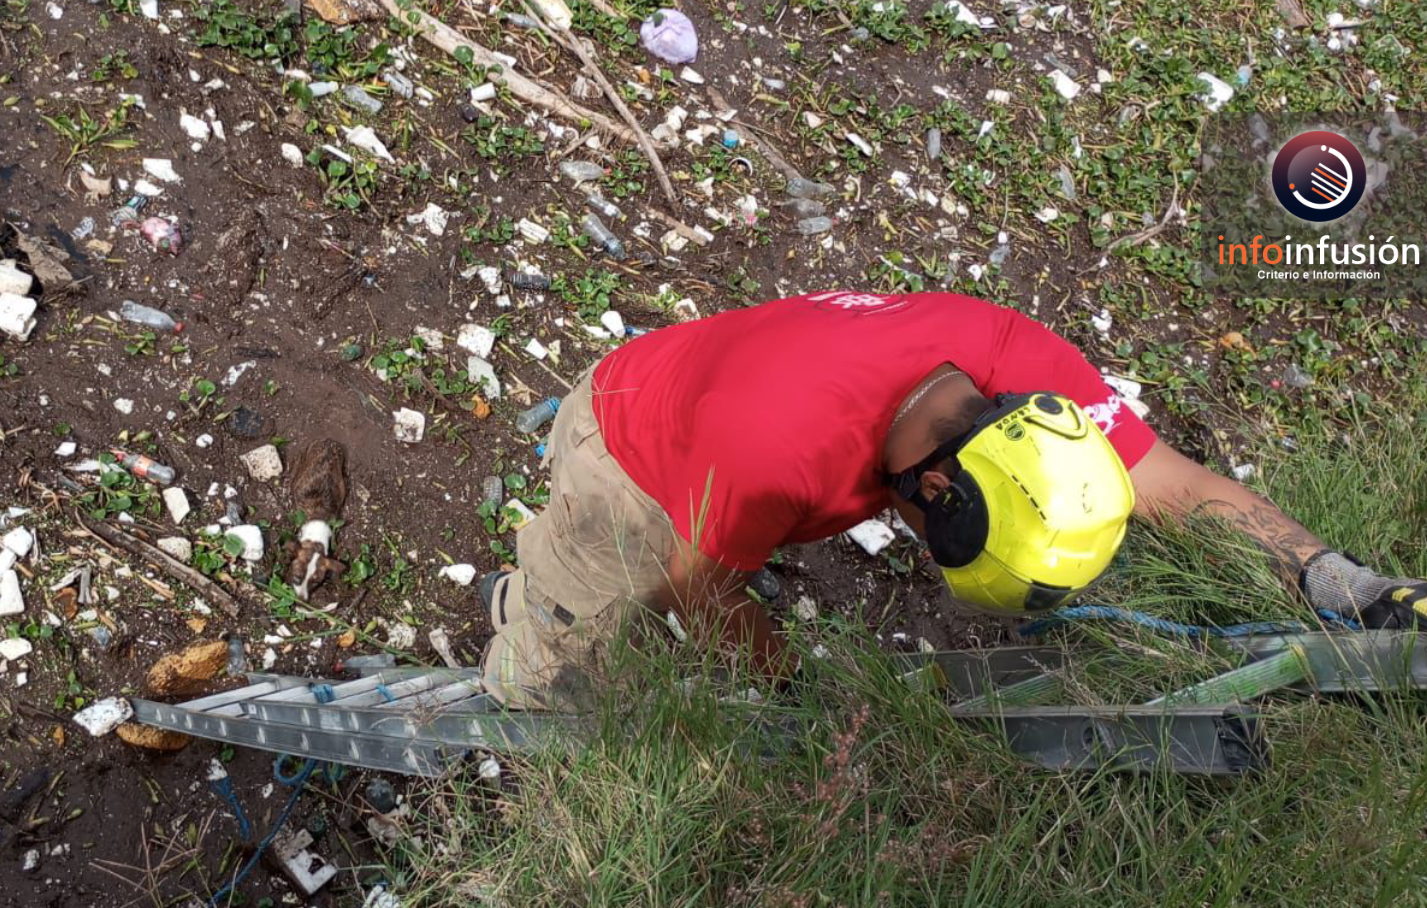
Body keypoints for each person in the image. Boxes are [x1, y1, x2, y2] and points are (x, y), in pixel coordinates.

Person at [478, 290, 1427, 710]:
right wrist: (795, 689)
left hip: (738, 411)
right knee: (594, 622)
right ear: (934, 487)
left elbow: (1173, 484)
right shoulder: (771, 454)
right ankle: (527, 644)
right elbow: (703, 587)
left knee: (723, 549)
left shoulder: (1020, 361)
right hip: (630, 450)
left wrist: (1337, 579)